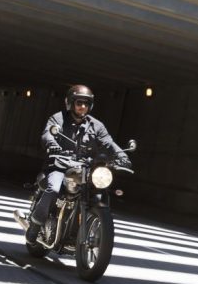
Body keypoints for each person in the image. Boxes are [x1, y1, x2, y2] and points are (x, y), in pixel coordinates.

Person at [26, 84, 132, 244]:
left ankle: (88, 229)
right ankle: (35, 224)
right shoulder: (58, 118)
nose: (82, 106)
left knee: (100, 191)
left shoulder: (96, 125)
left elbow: (109, 143)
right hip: (60, 165)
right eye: (79, 102)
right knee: (53, 188)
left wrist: (122, 155)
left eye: (86, 103)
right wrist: (51, 143)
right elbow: (48, 134)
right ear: (70, 102)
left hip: (84, 169)